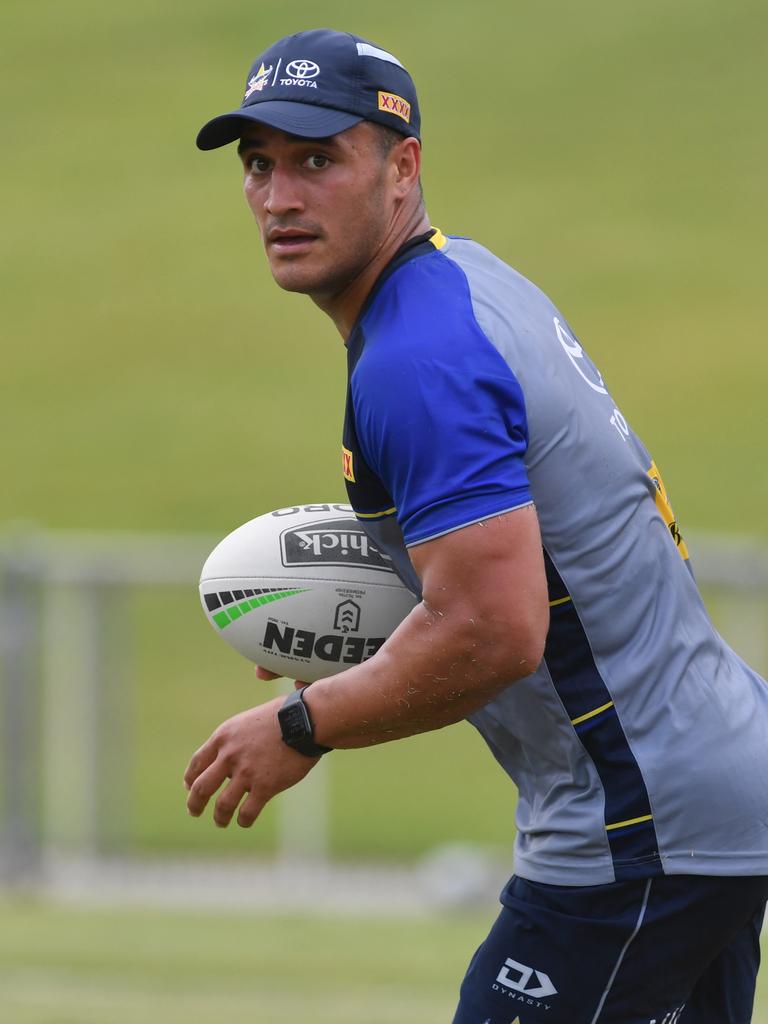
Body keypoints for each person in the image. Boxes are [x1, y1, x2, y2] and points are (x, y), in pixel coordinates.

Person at [185, 28, 768, 1022]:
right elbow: (536, 562)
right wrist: (370, 611)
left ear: (401, 167)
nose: (279, 199)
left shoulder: (419, 360)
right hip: (708, 789)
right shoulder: (466, 283)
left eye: (318, 160)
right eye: (259, 166)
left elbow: (496, 629)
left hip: (638, 826)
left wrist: (303, 725)